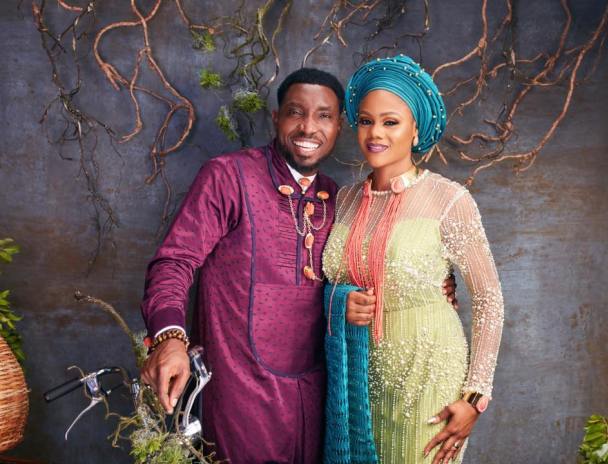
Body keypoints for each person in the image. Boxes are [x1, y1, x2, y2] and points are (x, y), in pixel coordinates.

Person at [139, 67, 458, 463]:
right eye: (295, 113)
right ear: (276, 118)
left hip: (318, 396)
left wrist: (436, 284)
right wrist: (170, 338)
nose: (308, 127)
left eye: (324, 116)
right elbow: (175, 261)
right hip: (240, 393)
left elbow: (377, 266)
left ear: (338, 126)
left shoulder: (338, 199)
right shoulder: (229, 177)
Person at [322, 55, 505, 463]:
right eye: (366, 121)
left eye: (390, 122)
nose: (375, 133)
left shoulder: (448, 199)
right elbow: (323, 282)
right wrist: (338, 300)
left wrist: (475, 397)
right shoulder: (344, 200)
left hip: (428, 375)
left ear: (416, 129)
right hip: (356, 376)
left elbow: (489, 299)